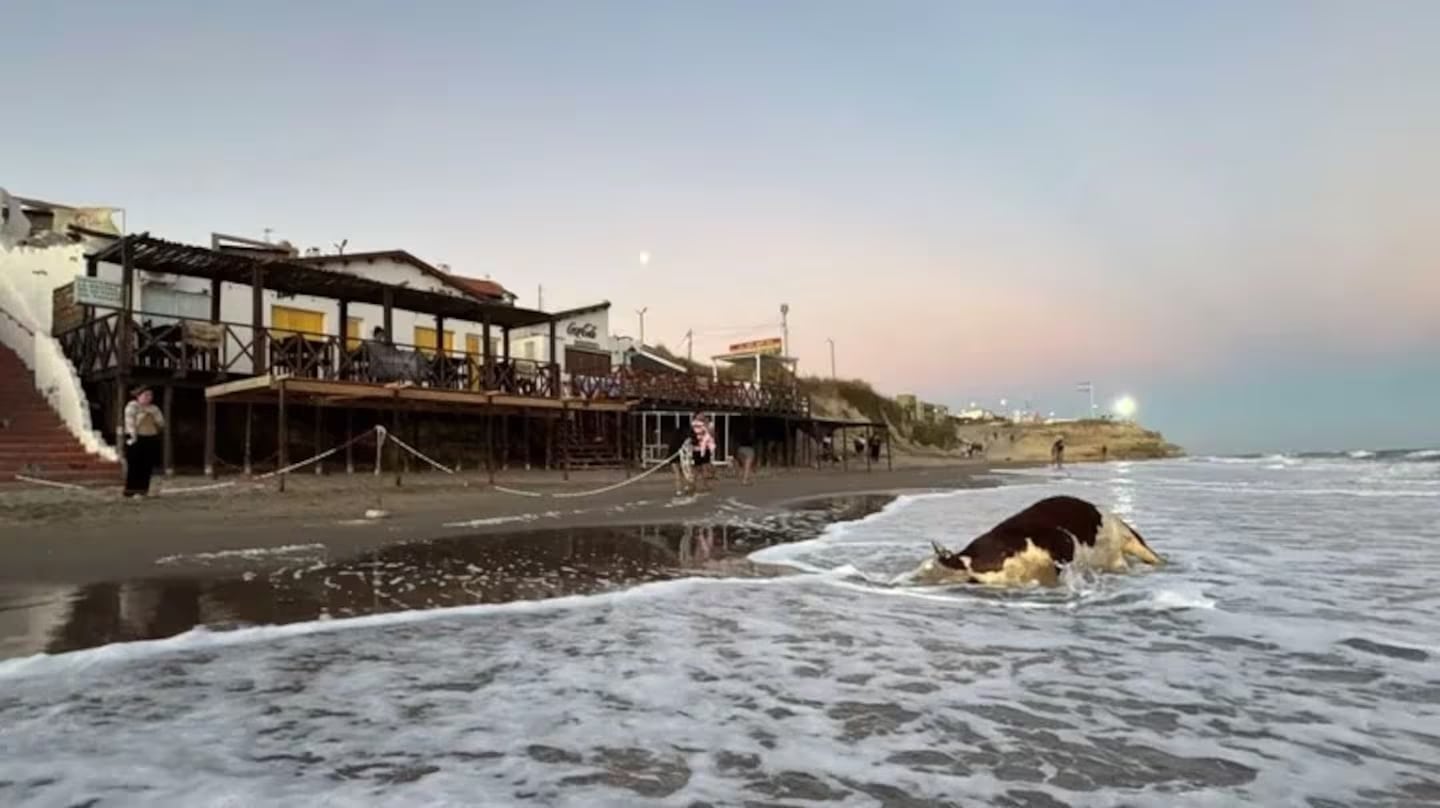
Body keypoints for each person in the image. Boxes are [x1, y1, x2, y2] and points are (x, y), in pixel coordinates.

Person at [123, 385, 165, 497]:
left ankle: (143, 490)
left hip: (150, 437)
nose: (148, 397)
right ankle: (131, 491)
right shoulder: (132, 406)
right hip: (136, 437)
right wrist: (142, 416)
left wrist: (153, 416)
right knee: (135, 465)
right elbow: (130, 423)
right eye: (146, 395)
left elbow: (161, 423)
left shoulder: (154, 408)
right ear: (138, 396)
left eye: (150, 395)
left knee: (147, 466)